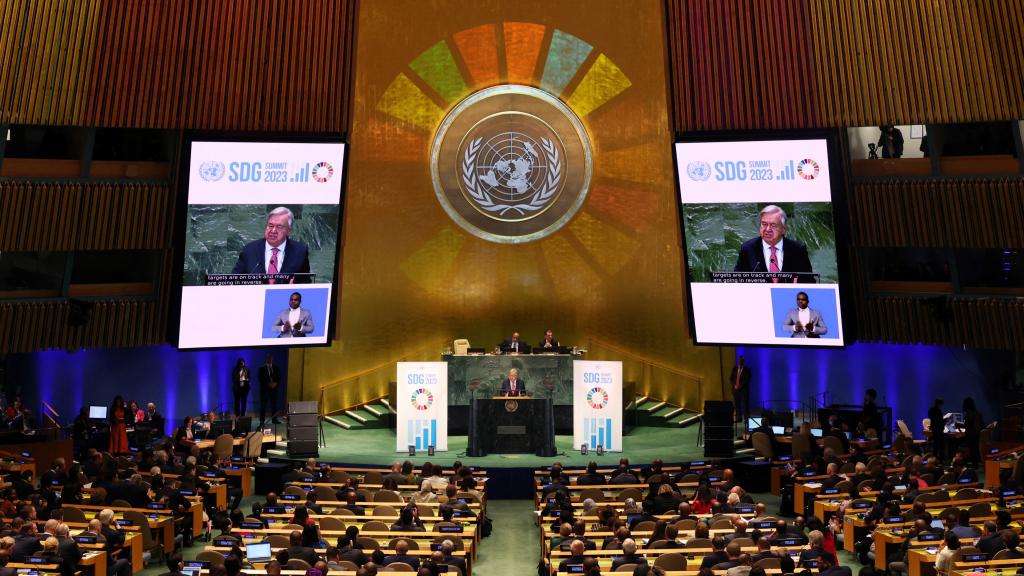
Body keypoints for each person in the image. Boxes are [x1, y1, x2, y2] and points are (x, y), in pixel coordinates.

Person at [733, 205, 814, 282]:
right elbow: (738, 280)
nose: (768, 229)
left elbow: (809, 281)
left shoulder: (797, 249)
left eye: (773, 225)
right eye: (764, 224)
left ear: (784, 229)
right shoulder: (748, 248)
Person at [232, 206, 311, 283]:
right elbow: (234, 280)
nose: (273, 231)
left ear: (289, 231)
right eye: (270, 226)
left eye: (279, 227)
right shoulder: (250, 250)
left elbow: (306, 284)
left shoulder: (300, 251)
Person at [259, 353, 282, 425]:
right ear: (266, 359)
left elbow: (279, 378)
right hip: (265, 390)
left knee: (274, 405)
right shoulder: (261, 368)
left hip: (274, 390)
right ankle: (262, 421)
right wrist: (268, 384)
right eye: (268, 358)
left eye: (271, 358)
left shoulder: (276, 368)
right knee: (263, 406)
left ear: (272, 359)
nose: (270, 359)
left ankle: (274, 420)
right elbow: (261, 379)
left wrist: (275, 384)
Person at [730, 356, 751, 423]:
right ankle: (738, 418)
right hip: (735, 390)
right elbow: (731, 378)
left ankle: (746, 419)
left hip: (743, 390)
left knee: (745, 405)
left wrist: (740, 386)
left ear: (743, 361)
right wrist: (734, 385)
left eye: (742, 360)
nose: (740, 362)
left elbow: (747, 380)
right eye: (739, 360)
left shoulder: (747, 369)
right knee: (737, 405)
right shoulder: (735, 368)